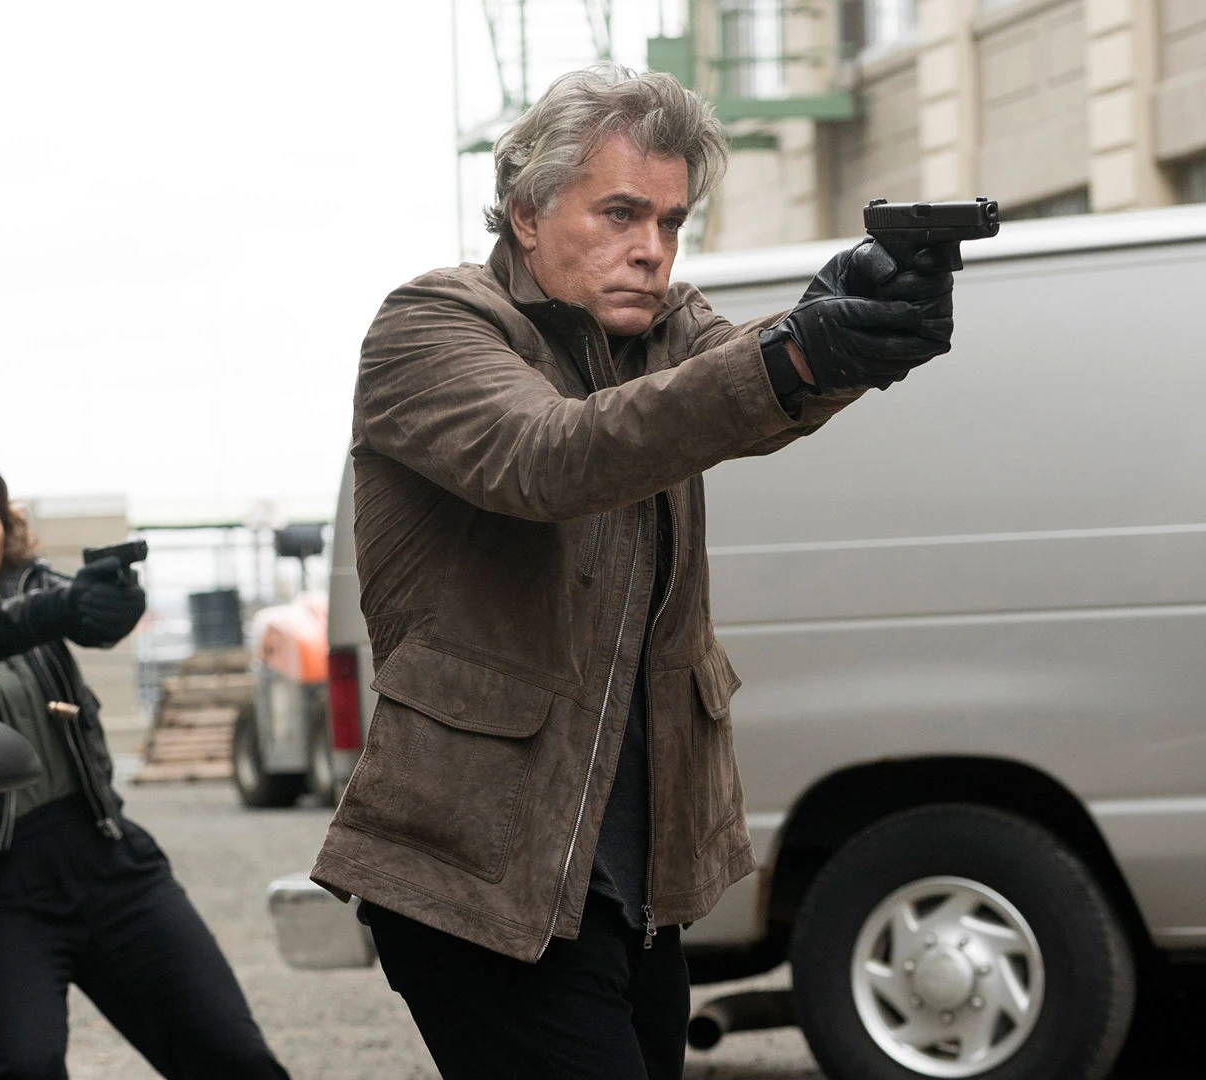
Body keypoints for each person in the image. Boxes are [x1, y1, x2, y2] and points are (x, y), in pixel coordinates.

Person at [309, 65, 955, 1079]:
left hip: (629, 885)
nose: (650, 247)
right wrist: (795, 353)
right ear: (527, 214)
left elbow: (750, 384)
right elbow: (553, 456)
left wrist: (850, 325)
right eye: (619, 213)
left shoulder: (660, 327)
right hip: (482, 877)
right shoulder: (433, 325)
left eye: (670, 220)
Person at [0, 444, 289, 1080]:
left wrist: (114, 599)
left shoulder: (31, 582)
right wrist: (59, 608)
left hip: (106, 858)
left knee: (234, 1058)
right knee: (30, 1068)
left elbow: (87, 614)